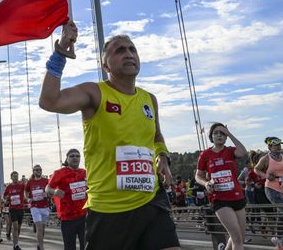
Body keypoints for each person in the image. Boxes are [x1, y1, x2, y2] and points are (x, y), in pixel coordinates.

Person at [39, 26, 179, 250]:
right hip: (109, 210)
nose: (129, 53)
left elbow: (156, 134)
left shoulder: (149, 99)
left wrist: (162, 155)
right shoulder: (94, 93)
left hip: (151, 201)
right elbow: (49, 101)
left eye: (132, 49)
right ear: (106, 65)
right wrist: (61, 53)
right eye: (120, 50)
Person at [195, 123, 248, 250]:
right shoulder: (205, 154)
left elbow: (243, 152)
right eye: (216, 133)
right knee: (237, 240)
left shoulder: (230, 151)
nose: (219, 135)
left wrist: (229, 133)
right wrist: (206, 183)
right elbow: (198, 176)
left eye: (222, 133)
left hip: (237, 196)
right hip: (220, 199)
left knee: (240, 236)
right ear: (211, 136)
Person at [254, 137, 283, 249]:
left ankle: (277, 238)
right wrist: (266, 176)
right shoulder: (265, 158)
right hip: (271, 188)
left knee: (281, 214)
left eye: (280, 144)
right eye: (276, 145)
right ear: (269, 147)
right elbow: (256, 169)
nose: (279, 146)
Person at [45, 149, 87, 250]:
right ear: (67, 159)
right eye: (72, 156)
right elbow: (47, 188)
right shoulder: (59, 173)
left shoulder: (84, 172)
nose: (75, 158)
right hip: (68, 218)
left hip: (84, 216)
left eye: (77, 156)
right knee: (69, 247)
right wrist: (54, 192)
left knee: (86, 246)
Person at [25, 165, 50, 250]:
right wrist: (28, 198)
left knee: (42, 229)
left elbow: (51, 191)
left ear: (41, 171)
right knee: (39, 227)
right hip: (34, 207)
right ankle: (42, 248)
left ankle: (39, 244)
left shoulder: (46, 181)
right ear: (33, 171)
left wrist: (47, 194)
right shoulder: (30, 182)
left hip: (45, 206)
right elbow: (26, 191)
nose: (38, 171)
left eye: (39, 169)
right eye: (36, 170)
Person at [3, 171, 25, 250]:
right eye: (14, 176)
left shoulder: (21, 186)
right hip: (12, 209)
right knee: (15, 226)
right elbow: (4, 196)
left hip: (20, 209)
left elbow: (27, 188)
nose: (15, 177)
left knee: (18, 228)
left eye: (17, 176)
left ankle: (16, 242)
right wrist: (6, 200)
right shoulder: (8, 187)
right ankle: (16, 245)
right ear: (11, 177)